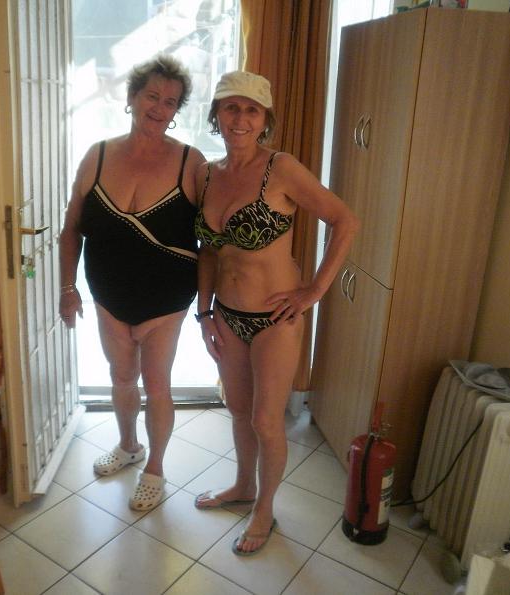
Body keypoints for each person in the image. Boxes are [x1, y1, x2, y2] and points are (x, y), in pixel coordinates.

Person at [193, 71, 359, 555]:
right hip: (226, 313)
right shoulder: (206, 174)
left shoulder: (280, 168)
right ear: (217, 114)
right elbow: (208, 250)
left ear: (265, 119)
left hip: (275, 320)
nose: (240, 118)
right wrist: (204, 313)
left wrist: (314, 291)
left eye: (252, 110)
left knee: (266, 421)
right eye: (231, 107)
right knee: (238, 411)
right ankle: (244, 486)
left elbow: (345, 220)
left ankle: (265, 508)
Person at [59, 54, 205, 511]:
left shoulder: (191, 162)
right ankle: (128, 446)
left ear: (176, 110)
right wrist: (68, 288)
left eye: (170, 102)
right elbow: (71, 229)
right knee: (121, 377)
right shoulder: (97, 155)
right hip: (108, 294)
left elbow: (215, 238)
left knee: (156, 384)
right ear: (132, 97)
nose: (159, 108)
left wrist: (211, 306)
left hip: (167, 299)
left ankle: (155, 468)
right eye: (152, 96)